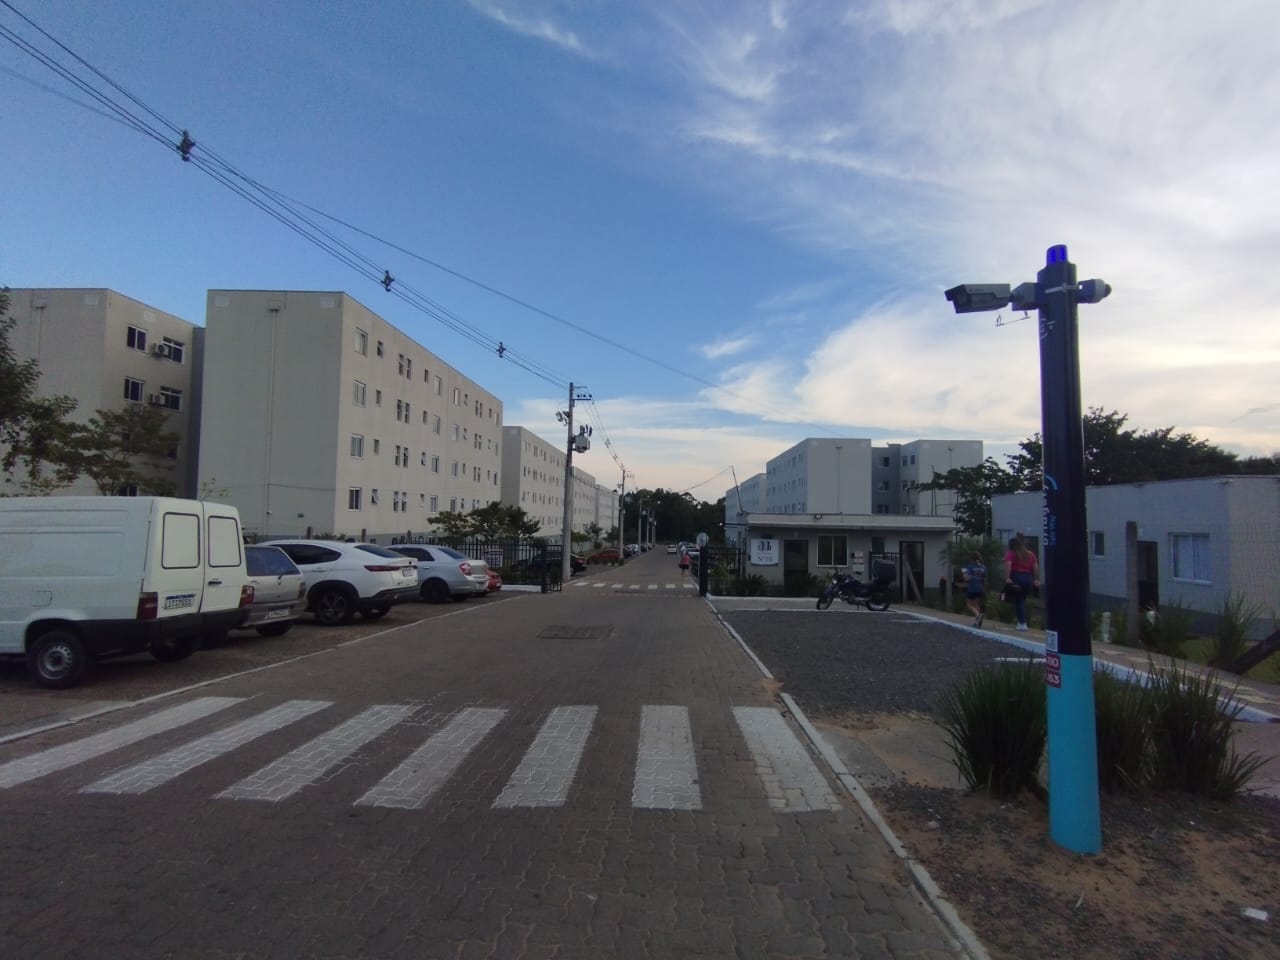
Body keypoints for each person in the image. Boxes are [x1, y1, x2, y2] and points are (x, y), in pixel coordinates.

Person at [1003, 535, 1039, 631]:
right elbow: (1035, 566)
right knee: (1022, 600)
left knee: (1019, 600)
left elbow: (1008, 565)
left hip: (1017, 577)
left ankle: (1023, 623)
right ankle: (1021, 622)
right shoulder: (1030, 554)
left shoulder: (1011, 553)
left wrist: (1007, 577)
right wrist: (1035, 579)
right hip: (1028, 578)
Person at [961, 551, 986, 628]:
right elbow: (985, 578)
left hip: (972, 588)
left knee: (969, 604)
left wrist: (964, 573)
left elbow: (966, 578)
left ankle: (978, 615)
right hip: (980, 588)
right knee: (976, 604)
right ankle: (977, 622)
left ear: (972, 559)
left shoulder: (970, 566)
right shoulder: (983, 567)